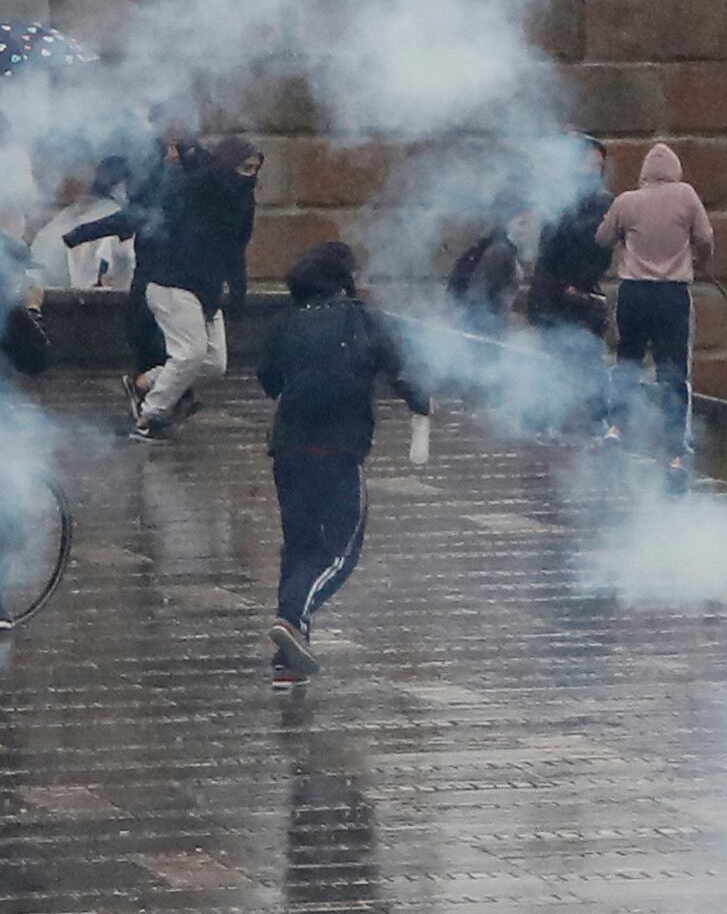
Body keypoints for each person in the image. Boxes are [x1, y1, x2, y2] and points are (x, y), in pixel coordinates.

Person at [258, 243, 429, 690]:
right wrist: (420, 402)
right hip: (338, 448)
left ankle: (287, 660)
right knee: (339, 553)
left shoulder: (286, 321)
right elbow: (400, 370)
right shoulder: (362, 318)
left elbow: (268, 379)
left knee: (299, 548)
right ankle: (292, 621)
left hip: (288, 449)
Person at [73, 136, 259, 442]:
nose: (248, 176)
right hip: (171, 281)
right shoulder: (192, 190)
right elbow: (138, 217)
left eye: (254, 169)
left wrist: (238, 292)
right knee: (190, 354)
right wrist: (82, 233)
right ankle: (149, 415)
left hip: (206, 290)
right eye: (244, 167)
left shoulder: (241, 201)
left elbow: (236, 249)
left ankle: (145, 383)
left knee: (213, 364)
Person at [596, 143, 714, 478]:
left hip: (633, 292)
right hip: (672, 294)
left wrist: (625, 238)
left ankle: (615, 428)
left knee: (627, 362)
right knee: (673, 372)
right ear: (675, 171)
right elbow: (705, 238)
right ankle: (674, 451)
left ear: (645, 173)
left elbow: (602, 238)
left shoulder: (627, 201)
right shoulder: (686, 196)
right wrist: (699, 259)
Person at [525, 135, 616, 434]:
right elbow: (550, 247)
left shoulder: (601, 202)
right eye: (589, 164)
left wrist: (581, 283)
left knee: (587, 358)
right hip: (556, 292)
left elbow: (599, 249)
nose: (592, 170)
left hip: (577, 293)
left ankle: (593, 422)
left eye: (598, 166)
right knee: (553, 361)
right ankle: (544, 421)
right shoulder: (562, 198)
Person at [31, 157, 135, 291]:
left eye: (72, 165)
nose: (62, 176)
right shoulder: (64, 217)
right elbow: (37, 269)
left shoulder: (110, 217)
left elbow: (113, 277)